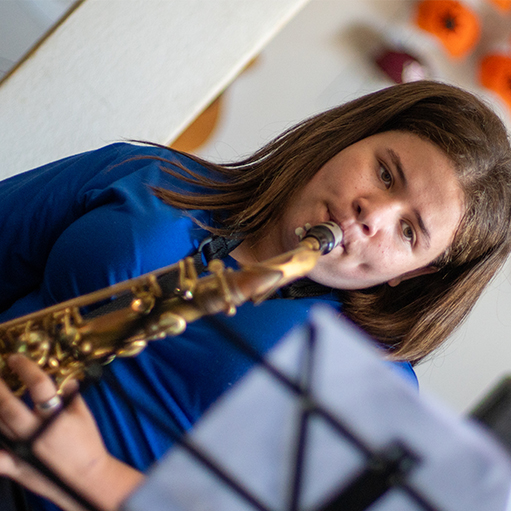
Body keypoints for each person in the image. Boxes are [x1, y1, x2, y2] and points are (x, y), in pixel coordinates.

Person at [0, 80, 510, 511]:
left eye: (408, 231)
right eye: (384, 173)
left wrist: (90, 471)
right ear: (349, 138)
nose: (371, 214)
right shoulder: (148, 173)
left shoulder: (372, 381)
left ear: (415, 273)